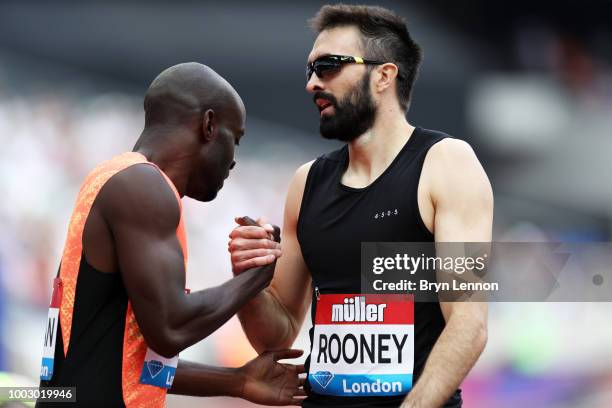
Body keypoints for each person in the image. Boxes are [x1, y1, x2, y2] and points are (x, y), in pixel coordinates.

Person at [229, 5, 493, 408]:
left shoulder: (446, 164)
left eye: (329, 66)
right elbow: (277, 335)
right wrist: (249, 283)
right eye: (310, 71)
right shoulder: (307, 182)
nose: (312, 84)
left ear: (384, 75)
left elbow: (469, 323)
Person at [37, 62, 305, 408]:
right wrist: (257, 276)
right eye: (234, 140)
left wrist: (239, 380)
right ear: (208, 125)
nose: (234, 160)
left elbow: (126, 361)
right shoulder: (144, 187)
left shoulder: (117, 178)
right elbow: (171, 330)